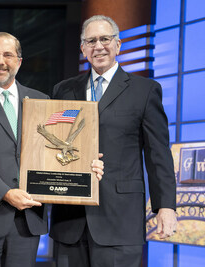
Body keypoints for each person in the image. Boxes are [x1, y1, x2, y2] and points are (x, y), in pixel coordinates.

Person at [0, 32, 104, 267]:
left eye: (7, 55)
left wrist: (86, 161)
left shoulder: (40, 100)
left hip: (27, 222)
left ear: (19, 62)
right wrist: (5, 193)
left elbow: (56, 148)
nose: (0, 61)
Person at [50, 15, 177, 267]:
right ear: (83, 48)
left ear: (118, 45)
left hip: (120, 218)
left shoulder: (145, 90)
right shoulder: (62, 90)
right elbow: (53, 146)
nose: (99, 46)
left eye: (105, 39)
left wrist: (166, 207)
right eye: (91, 40)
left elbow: (158, 154)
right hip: (70, 220)